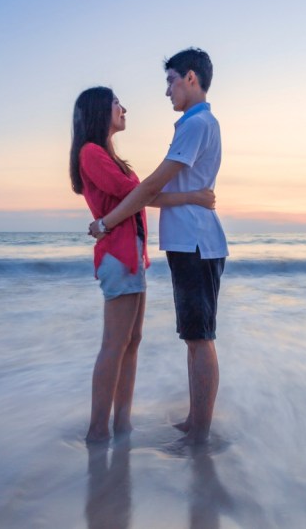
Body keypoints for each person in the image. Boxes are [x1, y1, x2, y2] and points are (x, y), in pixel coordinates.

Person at [89, 48, 227, 444]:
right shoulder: (197, 123)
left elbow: (151, 186)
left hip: (196, 241)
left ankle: (199, 432)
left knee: (200, 337)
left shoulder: (196, 124)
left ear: (190, 78)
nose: (167, 91)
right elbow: (150, 191)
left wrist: (106, 222)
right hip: (191, 240)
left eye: (170, 81)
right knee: (194, 335)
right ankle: (195, 422)